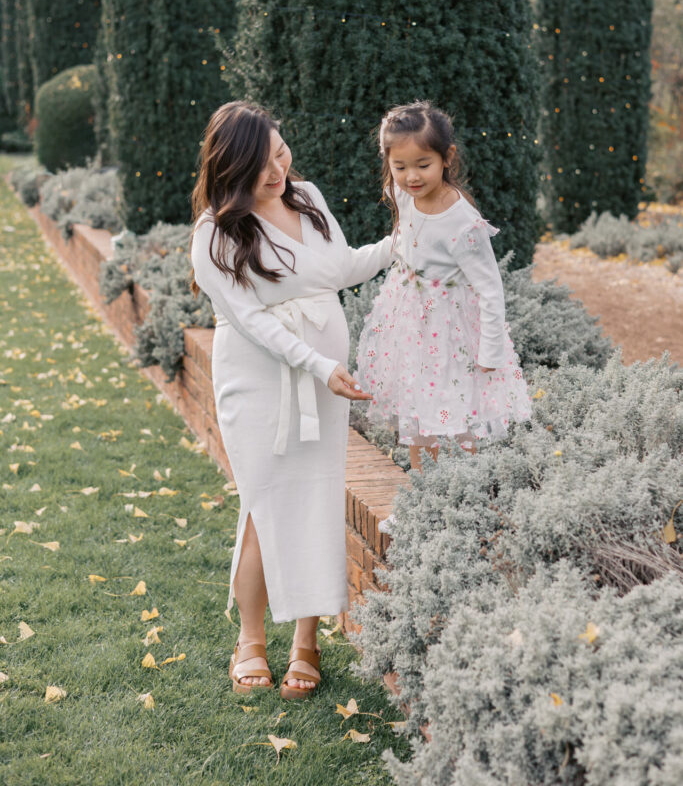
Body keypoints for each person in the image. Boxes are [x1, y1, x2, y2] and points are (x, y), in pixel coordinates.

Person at [190, 101, 392, 698]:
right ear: (230, 168)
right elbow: (254, 323)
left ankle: (307, 642)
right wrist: (320, 365)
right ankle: (251, 638)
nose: (278, 171)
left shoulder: (308, 197)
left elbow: (344, 268)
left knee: (317, 496)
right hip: (257, 380)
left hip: (324, 382)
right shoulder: (214, 235)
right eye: (261, 165)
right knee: (265, 502)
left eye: (280, 153)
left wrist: (403, 241)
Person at [356, 100, 531, 483]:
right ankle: (422, 496)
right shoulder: (402, 192)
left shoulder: (462, 222)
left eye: (423, 165)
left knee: (458, 405)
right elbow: (405, 236)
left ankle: (462, 493)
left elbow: (489, 289)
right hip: (410, 323)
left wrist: (491, 350)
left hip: (449, 329)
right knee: (417, 407)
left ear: (447, 157)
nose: (411, 177)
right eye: (399, 166)